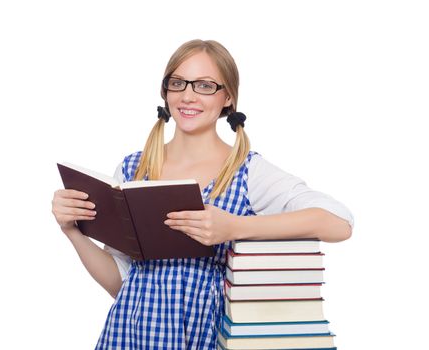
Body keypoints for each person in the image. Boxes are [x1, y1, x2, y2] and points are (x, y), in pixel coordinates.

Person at [51, 39, 353, 348]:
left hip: (205, 337)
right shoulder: (132, 170)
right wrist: (73, 232)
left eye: (205, 85)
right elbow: (122, 284)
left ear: (228, 98)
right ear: (165, 91)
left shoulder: (247, 171)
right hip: (129, 336)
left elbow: (339, 222)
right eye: (178, 83)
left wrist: (235, 227)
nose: (188, 96)